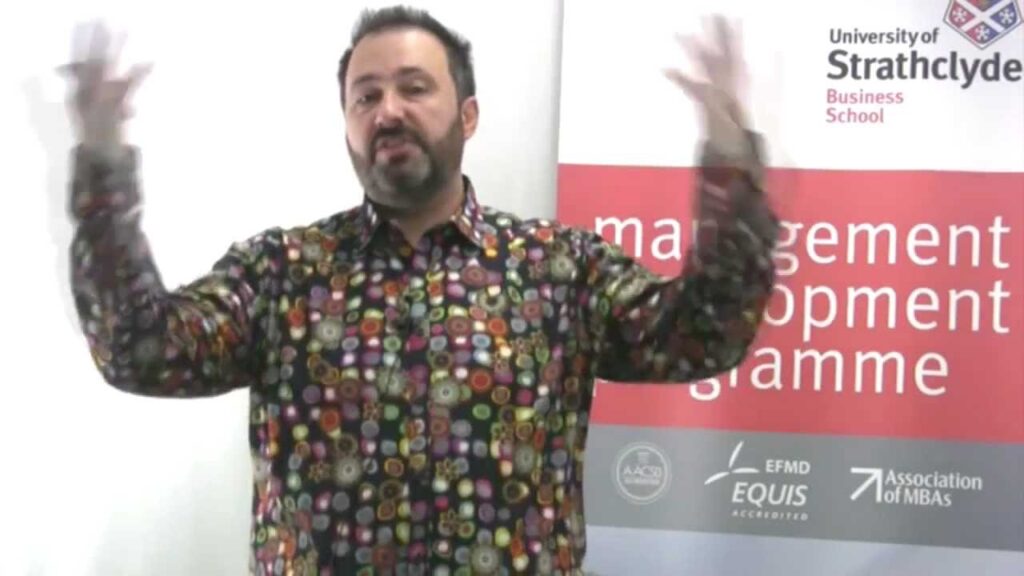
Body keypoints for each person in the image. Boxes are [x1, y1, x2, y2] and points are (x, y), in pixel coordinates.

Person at [64, 6, 779, 575]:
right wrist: (101, 167)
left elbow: (704, 336)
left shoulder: (559, 269)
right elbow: (139, 351)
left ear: (467, 115)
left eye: (414, 87)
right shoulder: (280, 272)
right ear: (347, 126)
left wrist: (730, 161)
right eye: (365, 96)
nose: (387, 111)